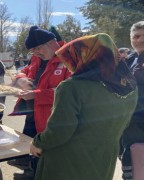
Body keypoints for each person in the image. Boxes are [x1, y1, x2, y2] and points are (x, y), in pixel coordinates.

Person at [30, 33, 138, 180]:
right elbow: (124, 124)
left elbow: (59, 132)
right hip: (104, 159)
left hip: (68, 164)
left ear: (85, 56)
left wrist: (37, 142)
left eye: (72, 58)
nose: (70, 64)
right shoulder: (130, 87)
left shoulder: (71, 87)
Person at [9, 26, 71, 179]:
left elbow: (70, 92)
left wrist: (36, 95)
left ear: (51, 42)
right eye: (32, 51)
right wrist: (20, 79)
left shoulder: (69, 57)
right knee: (33, 151)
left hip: (54, 119)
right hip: (32, 115)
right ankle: (32, 172)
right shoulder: (38, 58)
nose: (35, 53)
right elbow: (25, 70)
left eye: (37, 49)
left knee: (51, 157)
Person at [120, 20, 144, 180]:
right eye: (136, 36)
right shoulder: (130, 59)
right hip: (129, 122)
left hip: (140, 121)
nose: (140, 40)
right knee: (129, 162)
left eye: (143, 36)